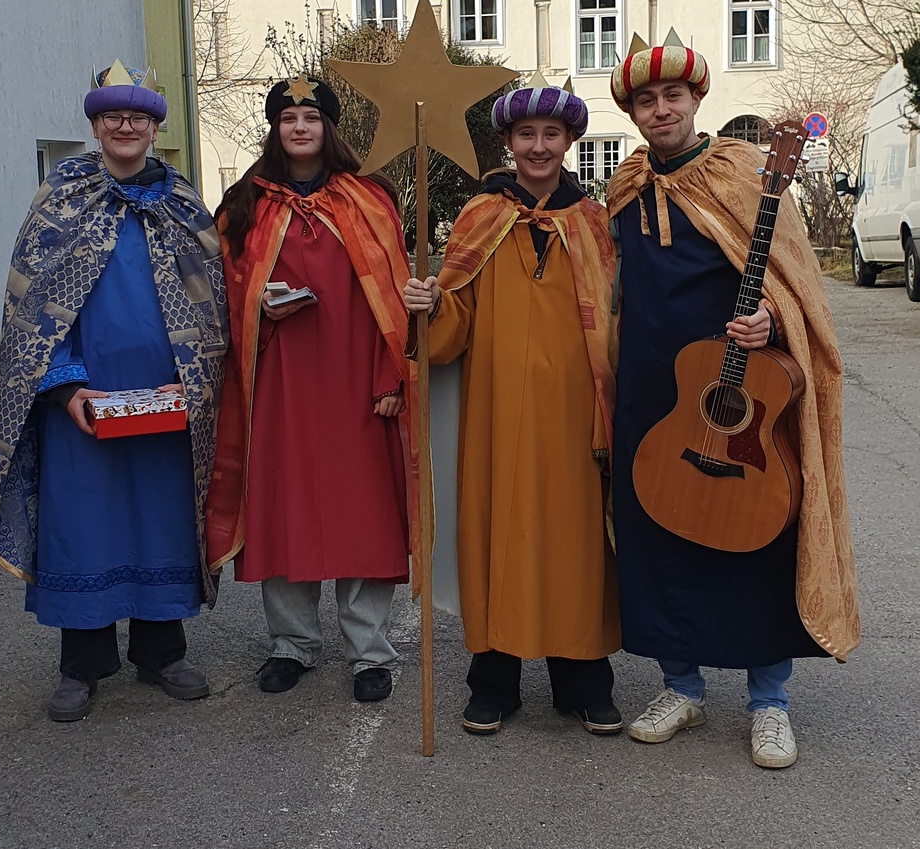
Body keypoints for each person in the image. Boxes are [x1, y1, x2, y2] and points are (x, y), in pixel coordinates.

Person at [605, 32, 860, 767]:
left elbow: (796, 282)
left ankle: (769, 702)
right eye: (646, 100)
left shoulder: (746, 172)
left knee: (757, 541)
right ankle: (680, 686)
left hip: (739, 387)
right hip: (651, 388)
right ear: (632, 112)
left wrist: (771, 318)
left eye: (672, 95)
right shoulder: (623, 186)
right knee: (660, 540)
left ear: (696, 99)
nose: (660, 110)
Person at [0, 61, 228, 721]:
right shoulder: (61, 200)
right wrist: (66, 387)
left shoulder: (183, 205)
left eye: (138, 117)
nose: (126, 126)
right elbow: (33, 309)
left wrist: (191, 374)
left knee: (162, 523)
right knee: (83, 528)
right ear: (95, 126)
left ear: (154, 128)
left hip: (165, 401)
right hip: (83, 404)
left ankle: (162, 652)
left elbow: (211, 300)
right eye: (113, 116)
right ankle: (83, 666)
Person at [403, 86, 621, 736]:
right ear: (508, 142)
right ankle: (494, 682)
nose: (539, 146)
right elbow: (454, 324)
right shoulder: (480, 217)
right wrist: (434, 306)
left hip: (575, 416)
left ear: (570, 142)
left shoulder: (595, 223)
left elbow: (618, 318)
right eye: (526, 134)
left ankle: (583, 681)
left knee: (575, 544)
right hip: (496, 415)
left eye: (551, 134)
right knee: (497, 535)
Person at [204, 75, 416, 703]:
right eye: (288, 118)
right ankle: (291, 644)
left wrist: (390, 376)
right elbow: (220, 295)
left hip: (356, 380)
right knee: (284, 508)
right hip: (279, 381)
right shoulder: (244, 204)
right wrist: (258, 309)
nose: (300, 127)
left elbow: (393, 295)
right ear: (275, 129)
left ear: (329, 127)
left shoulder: (369, 199)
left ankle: (370, 650)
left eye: (311, 117)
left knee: (363, 514)